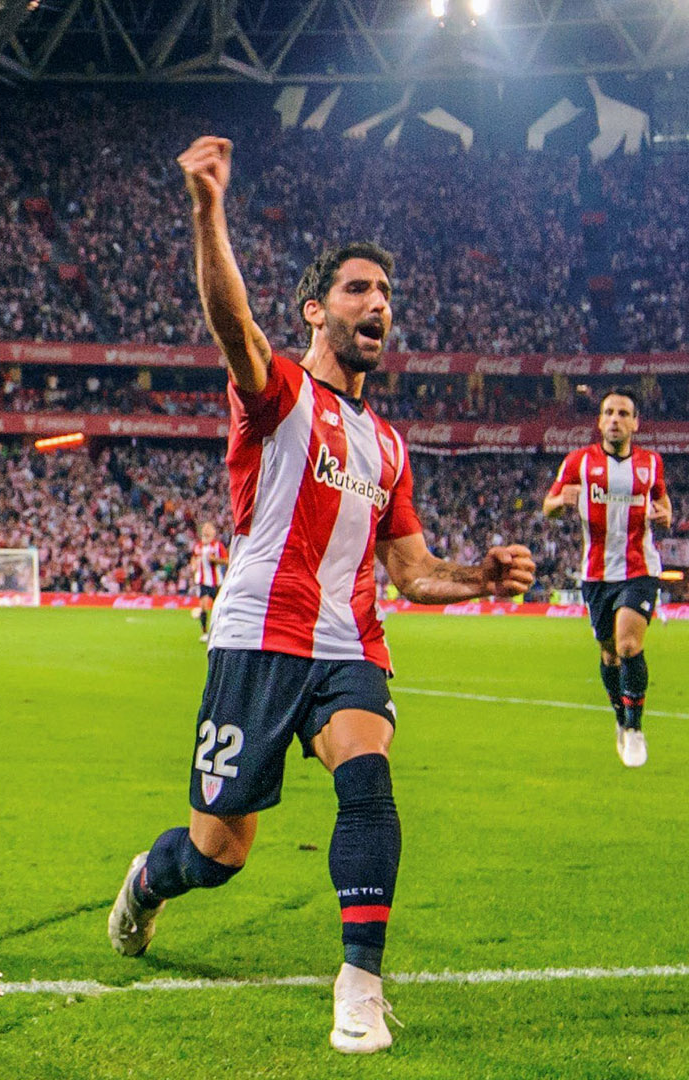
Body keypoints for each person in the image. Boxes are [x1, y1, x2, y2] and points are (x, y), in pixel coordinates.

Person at [104, 135, 537, 1057]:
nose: (378, 306)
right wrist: (207, 207)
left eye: (385, 295)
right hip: (259, 637)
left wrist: (478, 578)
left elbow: (413, 574)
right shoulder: (281, 393)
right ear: (315, 309)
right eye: (357, 290)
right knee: (219, 851)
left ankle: (360, 983)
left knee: (369, 780)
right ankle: (150, 880)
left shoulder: (390, 444)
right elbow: (231, 325)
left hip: (349, 643)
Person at [543, 389, 671, 768]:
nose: (615, 419)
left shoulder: (650, 463)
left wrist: (664, 514)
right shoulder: (578, 462)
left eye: (623, 413)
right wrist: (559, 503)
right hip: (596, 574)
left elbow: (663, 503)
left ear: (635, 423)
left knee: (629, 645)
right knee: (609, 653)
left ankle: (634, 728)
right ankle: (620, 715)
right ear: (599, 421)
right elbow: (548, 505)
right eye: (609, 413)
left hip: (640, 569)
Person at [190, 522, 228, 642]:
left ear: (213, 532)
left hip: (216, 582)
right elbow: (194, 557)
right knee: (203, 605)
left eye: (209, 528)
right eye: (205, 527)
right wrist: (193, 565)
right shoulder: (198, 546)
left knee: (219, 608)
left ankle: (220, 631)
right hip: (203, 581)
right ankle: (205, 632)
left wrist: (215, 560)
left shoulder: (217, 546)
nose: (206, 529)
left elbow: (226, 560)